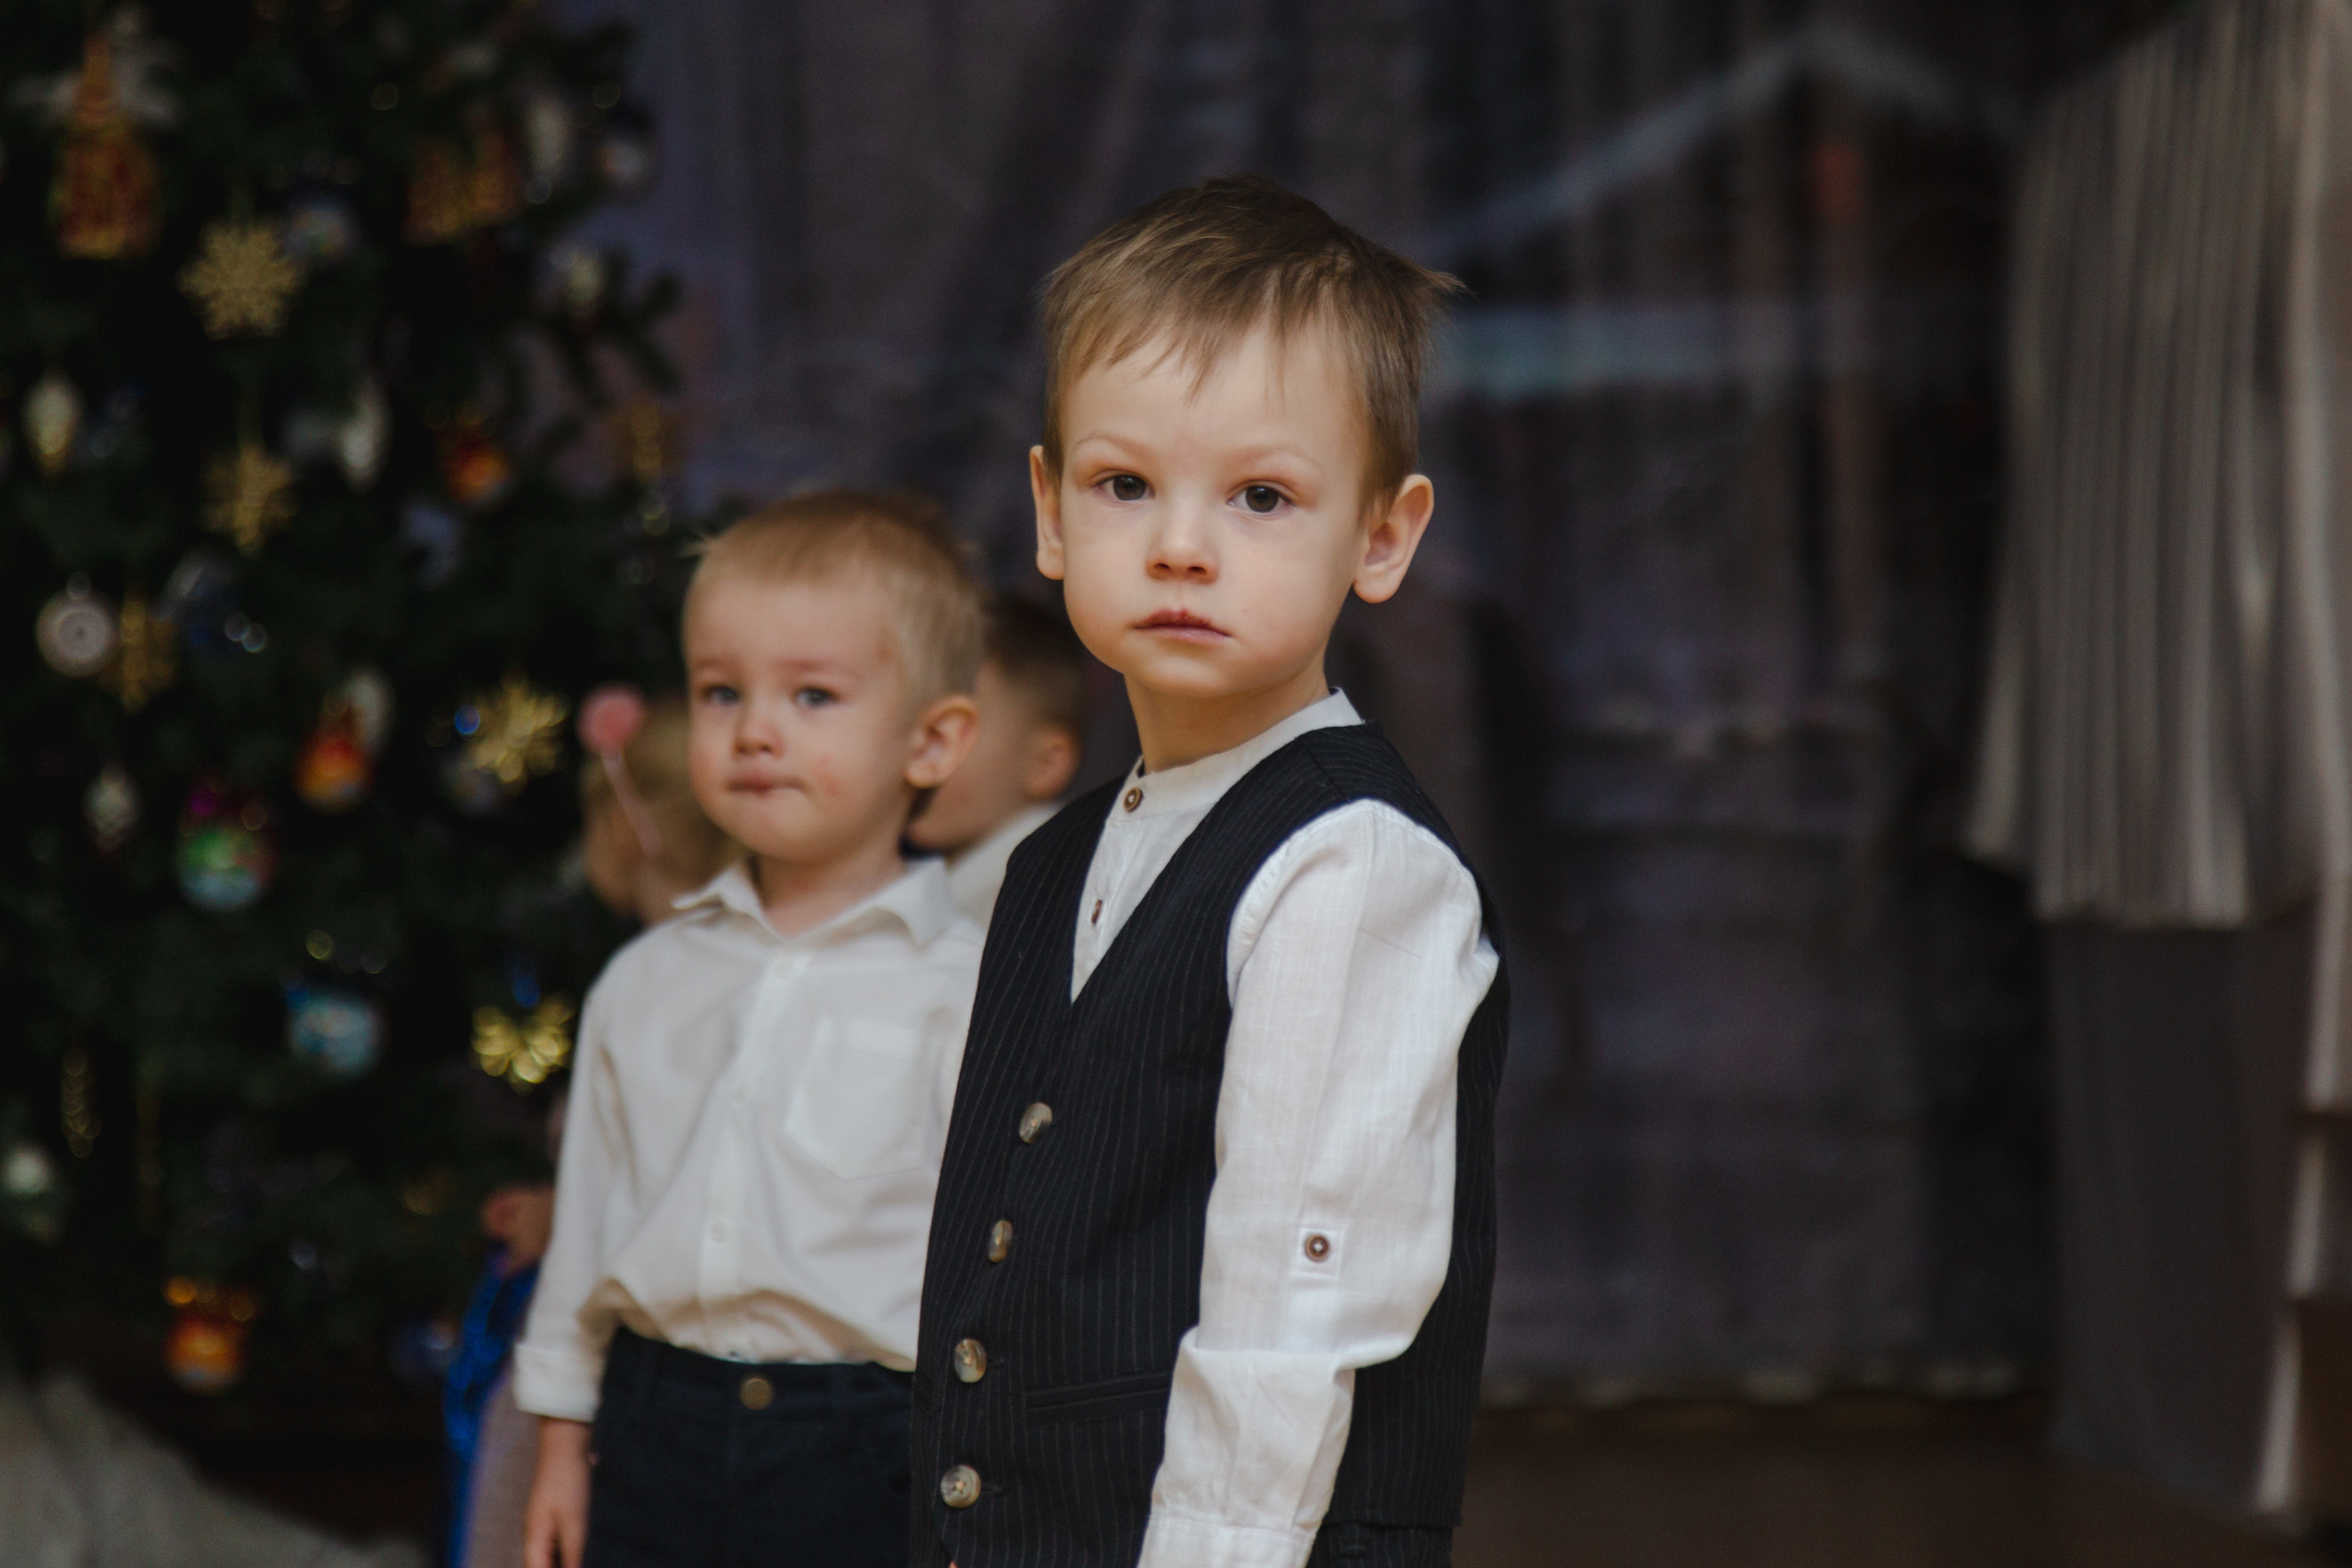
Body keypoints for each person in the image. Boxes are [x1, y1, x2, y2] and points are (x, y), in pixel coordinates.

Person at [911, 175, 1508, 1568]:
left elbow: (1293, 1305)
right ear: (1053, 514)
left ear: (1381, 535)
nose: (1182, 542)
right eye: (1127, 485)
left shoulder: (1351, 868)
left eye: (1261, 494)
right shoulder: (1059, 853)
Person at [514, 489, 987, 1568]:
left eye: (813, 695)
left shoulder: (964, 990)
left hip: (864, 1445)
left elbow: (992, 1277)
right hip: (651, 1424)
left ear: (931, 741)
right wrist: (558, 1451)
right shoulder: (646, 980)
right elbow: (585, 1227)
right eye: (722, 692)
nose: (757, 729)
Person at [903, 593, 1089, 923]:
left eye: (953, 728)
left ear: (1045, 763)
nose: (915, 748)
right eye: (905, 720)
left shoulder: (1033, 900)